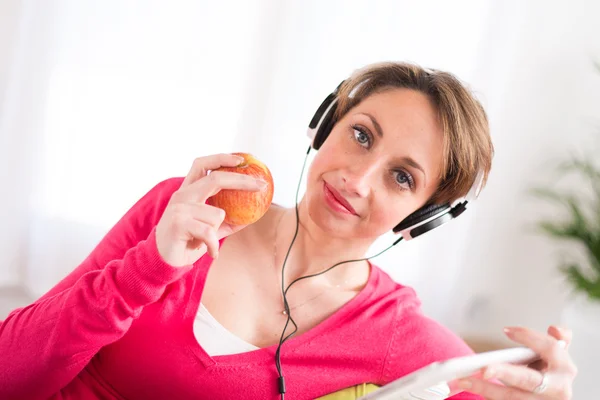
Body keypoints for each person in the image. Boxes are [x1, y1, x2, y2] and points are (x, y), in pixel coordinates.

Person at [0, 62, 577, 400]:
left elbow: (492, 383)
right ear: (324, 127)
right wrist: (147, 268)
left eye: (402, 177)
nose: (357, 178)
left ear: (422, 217)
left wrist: (551, 394)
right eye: (361, 135)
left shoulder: (396, 334)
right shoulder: (189, 210)